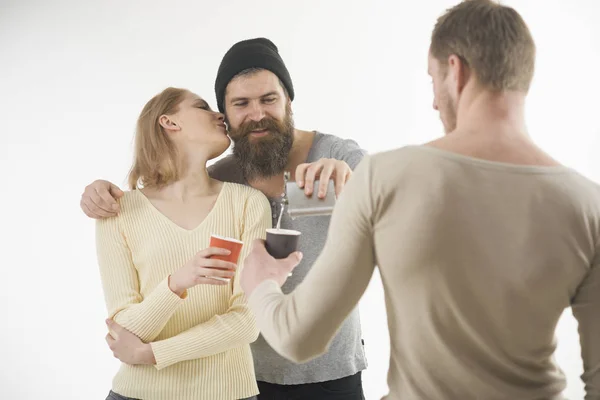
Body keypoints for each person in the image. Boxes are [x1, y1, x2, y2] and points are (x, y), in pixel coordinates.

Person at [239, 1, 600, 399]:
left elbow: (299, 338)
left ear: (456, 71)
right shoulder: (588, 204)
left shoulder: (385, 177)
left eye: (432, 79)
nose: (433, 101)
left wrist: (262, 281)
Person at [82, 38, 368, 399]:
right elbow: (170, 191)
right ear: (227, 115)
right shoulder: (226, 177)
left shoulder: (335, 155)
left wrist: (351, 178)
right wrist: (102, 192)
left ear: (288, 101)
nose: (257, 114)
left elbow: (393, 201)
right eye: (240, 104)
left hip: (326, 369)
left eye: (268, 99)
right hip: (246, 372)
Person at [96, 87, 272, 400]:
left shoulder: (248, 204)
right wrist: (177, 282)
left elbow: (248, 320)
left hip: (229, 393)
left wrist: (152, 354)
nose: (221, 115)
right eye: (203, 107)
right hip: (135, 394)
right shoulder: (117, 211)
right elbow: (124, 330)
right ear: (169, 122)